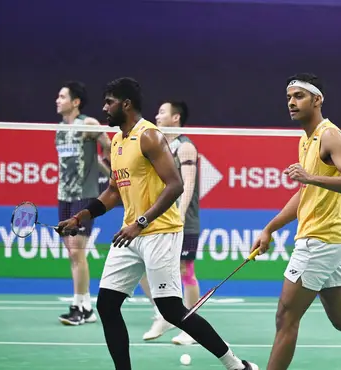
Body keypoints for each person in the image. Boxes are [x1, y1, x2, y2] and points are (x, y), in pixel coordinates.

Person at [57, 77, 258, 370]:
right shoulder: (117, 142)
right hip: (130, 234)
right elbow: (114, 191)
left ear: (126, 104)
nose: (104, 108)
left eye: (109, 102)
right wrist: (81, 216)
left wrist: (140, 222)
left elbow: (174, 185)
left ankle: (236, 365)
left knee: (171, 309)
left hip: (160, 232)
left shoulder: (148, 136)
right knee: (107, 305)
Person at [250, 73, 341, 370]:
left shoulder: (330, 135)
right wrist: (270, 228)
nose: (291, 102)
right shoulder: (306, 140)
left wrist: (310, 176)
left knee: (286, 317)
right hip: (329, 241)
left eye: (299, 96)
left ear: (317, 99)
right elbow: (305, 194)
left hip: (320, 241)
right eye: (289, 97)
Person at [140, 100, 201, 345]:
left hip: (182, 220)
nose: (157, 115)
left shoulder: (185, 147)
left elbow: (187, 185)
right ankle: (162, 315)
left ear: (176, 118)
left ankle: (191, 327)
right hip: (159, 220)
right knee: (145, 266)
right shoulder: (160, 145)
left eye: (162, 112)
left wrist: (179, 215)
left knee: (185, 271)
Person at [55, 80, 111, 326]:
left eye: (62, 96)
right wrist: (99, 165)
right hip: (64, 196)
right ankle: (85, 305)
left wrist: (114, 174)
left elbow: (108, 146)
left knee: (77, 251)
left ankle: (80, 306)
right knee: (72, 253)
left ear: (75, 102)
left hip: (84, 196)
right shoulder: (59, 129)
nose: (57, 100)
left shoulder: (87, 124)